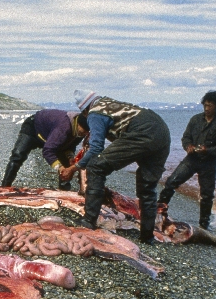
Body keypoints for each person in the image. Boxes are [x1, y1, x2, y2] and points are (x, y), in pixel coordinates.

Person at [61, 90, 171, 244]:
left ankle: (88, 220)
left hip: (142, 130)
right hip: (162, 131)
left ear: (85, 110)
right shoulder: (110, 104)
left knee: (96, 166)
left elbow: (96, 149)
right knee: (147, 186)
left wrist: (74, 168)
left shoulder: (94, 112)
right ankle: (147, 236)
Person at [158, 90, 216, 229]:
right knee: (171, 182)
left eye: (210, 105)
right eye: (205, 105)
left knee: (206, 195)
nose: (206, 108)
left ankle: (204, 225)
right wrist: (188, 146)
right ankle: (159, 212)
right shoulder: (195, 119)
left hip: (208, 163)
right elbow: (186, 137)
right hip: (191, 159)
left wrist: (208, 150)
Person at [0, 109, 89, 190]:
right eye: (83, 130)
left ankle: (64, 188)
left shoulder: (79, 132)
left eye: (86, 132)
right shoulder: (63, 128)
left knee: (66, 162)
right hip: (33, 128)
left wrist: (70, 157)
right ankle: (5, 186)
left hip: (50, 135)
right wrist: (60, 168)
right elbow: (47, 151)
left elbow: (69, 146)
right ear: (78, 124)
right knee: (18, 155)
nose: (84, 133)